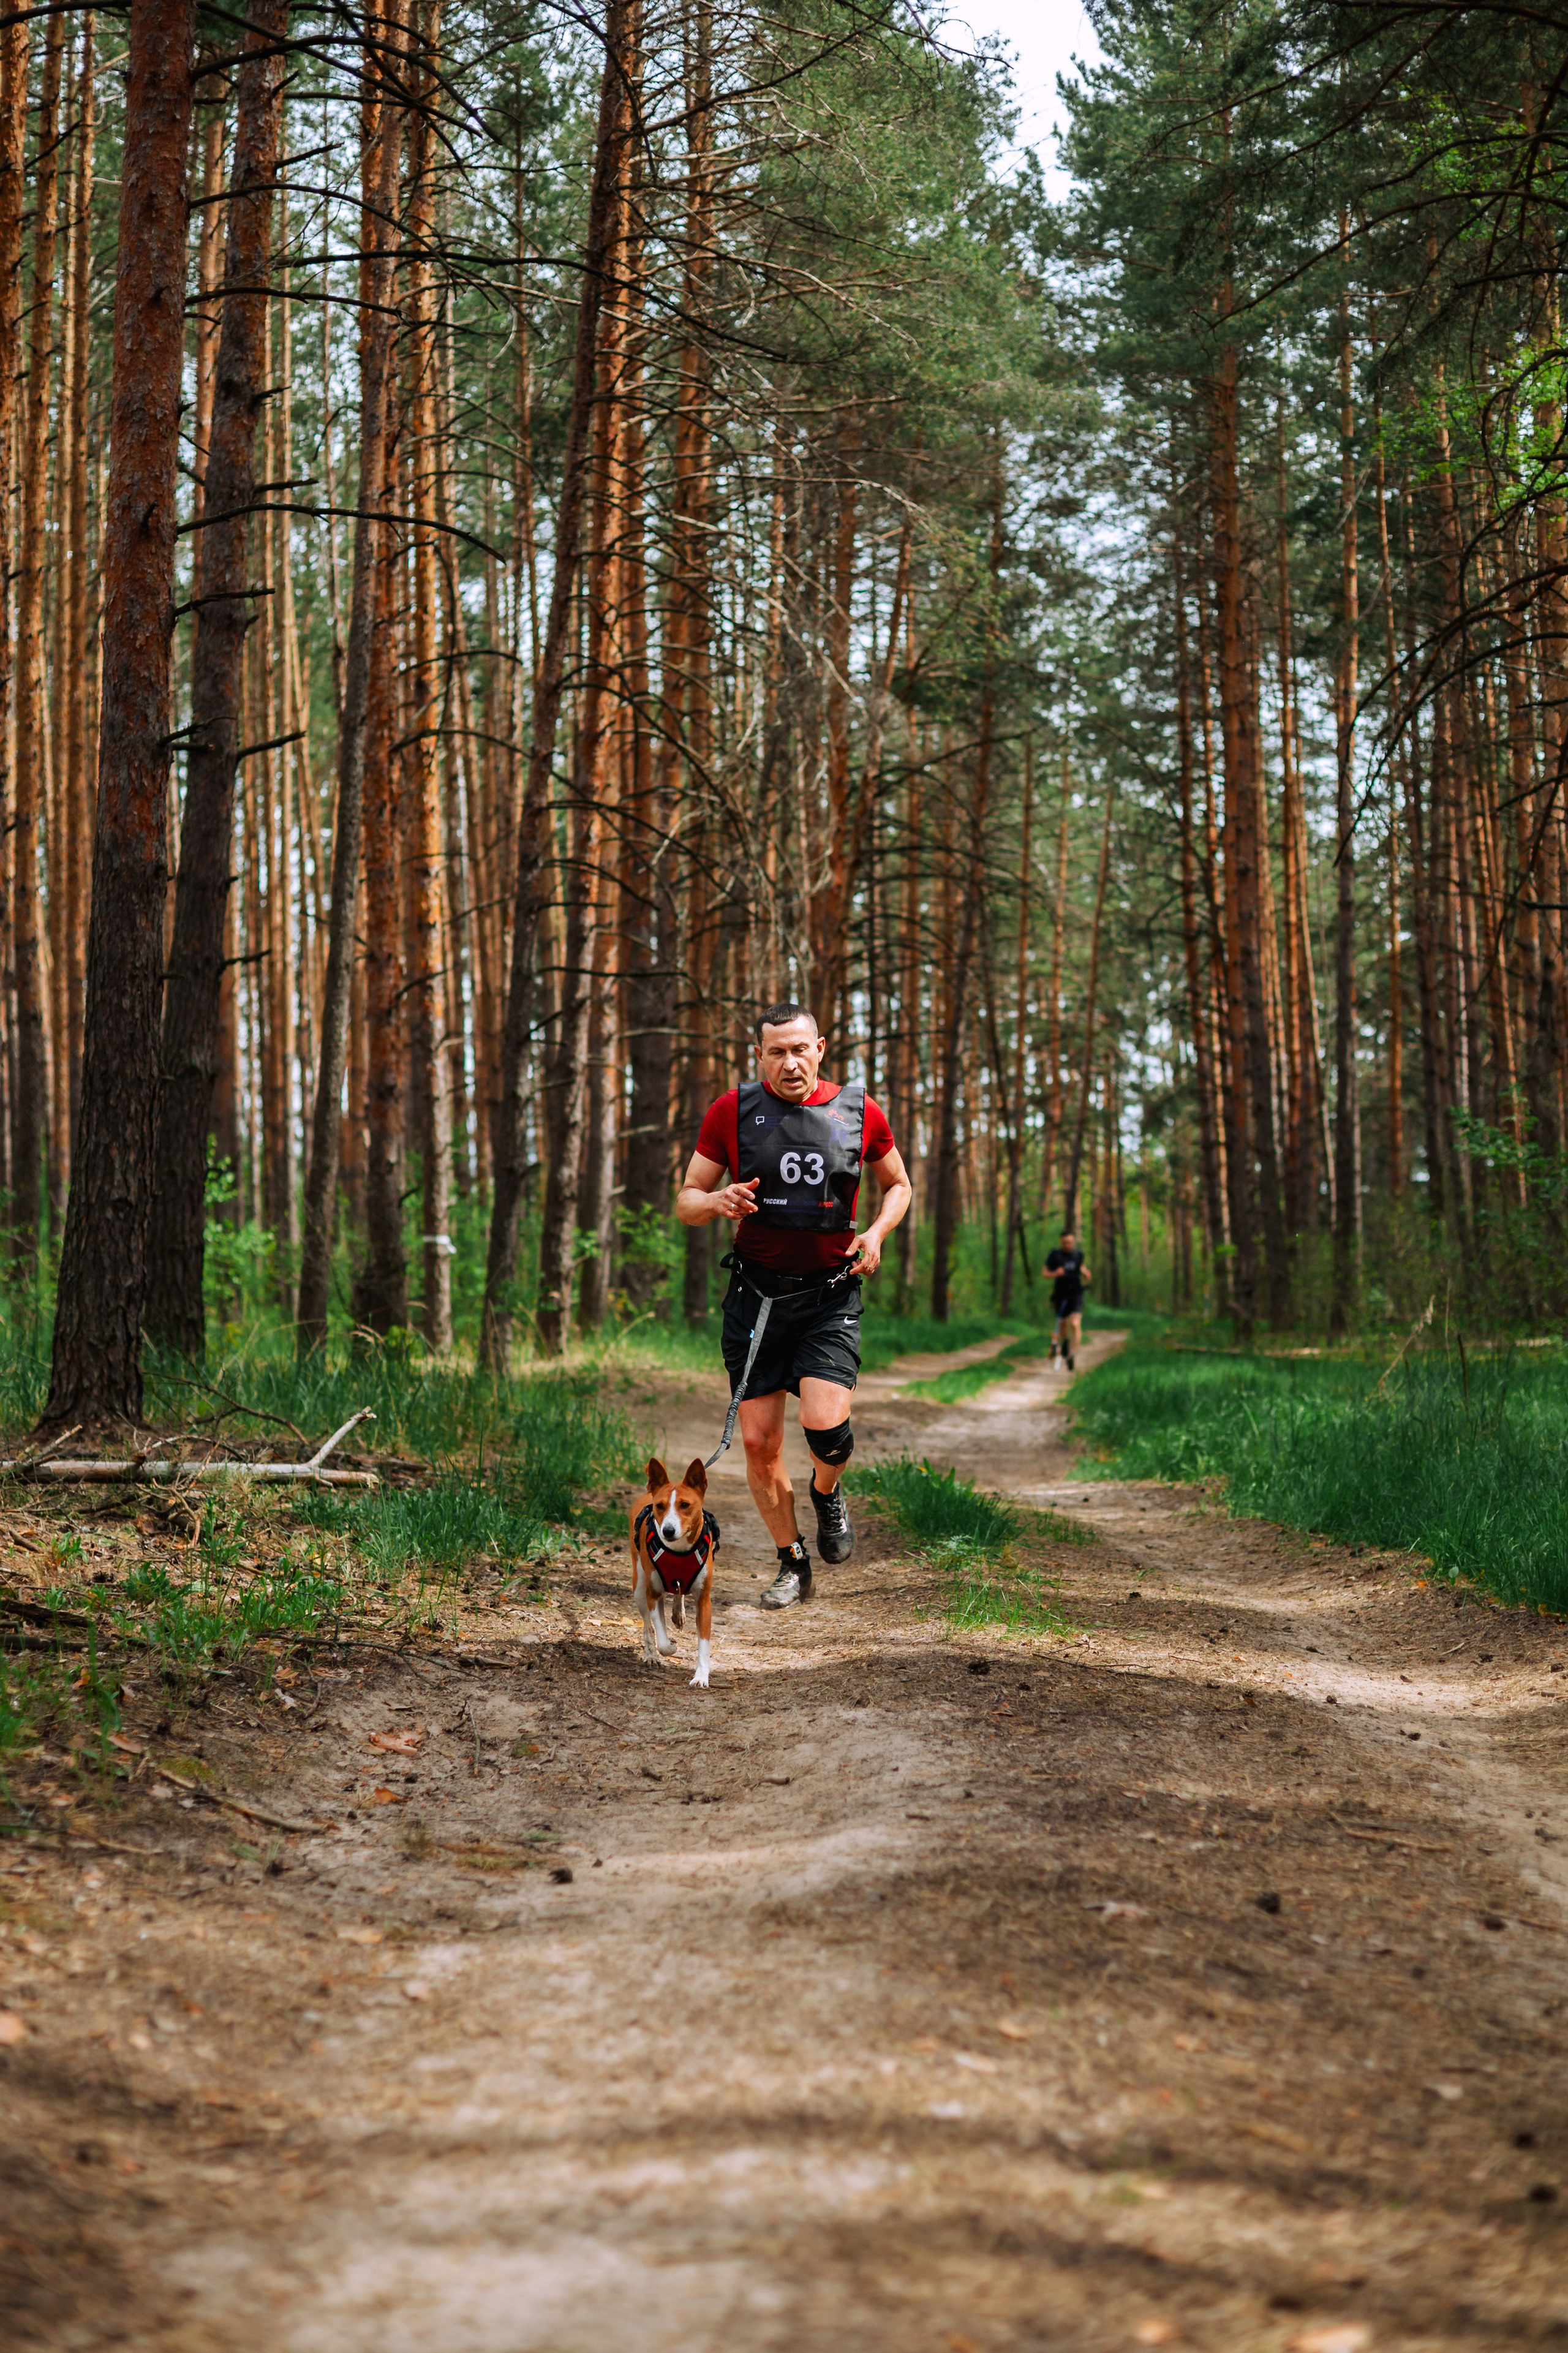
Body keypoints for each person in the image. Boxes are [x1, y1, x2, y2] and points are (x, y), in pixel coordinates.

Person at [676, 1004, 912, 1609]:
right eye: (776, 1051)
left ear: (821, 1049)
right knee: (758, 1443)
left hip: (829, 1297)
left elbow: (899, 1184)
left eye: (800, 1049)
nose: (790, 1062)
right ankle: (792, 1563)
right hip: (755, 1300)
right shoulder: (731, 1111)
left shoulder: (860, 1112)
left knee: (826, 1430)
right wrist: (716, 1201)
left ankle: (827, 1491)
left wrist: (877, 1234)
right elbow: (686, 1200)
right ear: (759, 1057)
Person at [1046, 1228, 1090, 1369]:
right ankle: (1064, 1343)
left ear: (1073, 1242)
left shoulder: (1078, 1255)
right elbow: (1045, 1273)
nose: (1067, 1245)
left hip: (1076, 1293)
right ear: (1061, 1242)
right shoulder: (1055, 1256)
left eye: (1070, 1242)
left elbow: (1080, 1267)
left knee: (1076, 1324)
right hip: (1060, 1293)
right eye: (1065, 1242)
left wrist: (1085, 1273)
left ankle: (1072, 1354)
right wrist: (1055, 1274)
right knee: (1063, 1324)